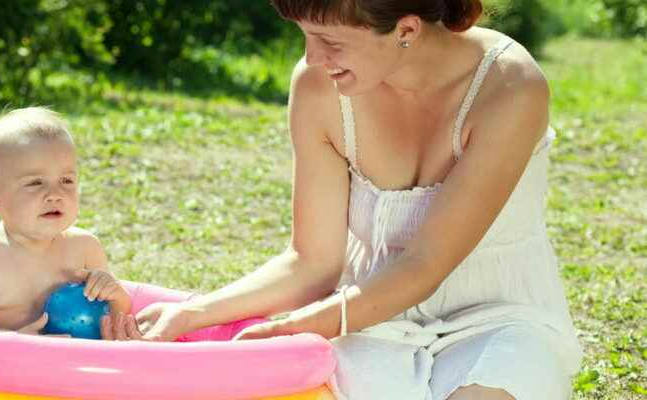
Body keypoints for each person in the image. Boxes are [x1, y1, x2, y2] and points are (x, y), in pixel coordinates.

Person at [106, 1, 582, 398]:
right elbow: (311, 263)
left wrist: (293, 326)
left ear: (406, 30)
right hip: (368, 324)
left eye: (330, 42)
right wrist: (193, 313)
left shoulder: (510, 85)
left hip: (499, 319)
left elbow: (423, 265)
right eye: (305, 36)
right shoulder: (319, 87)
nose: (312, 58)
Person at [0, 107, 132, 337]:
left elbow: (112, 322)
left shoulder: (86, 248)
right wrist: (15, 342)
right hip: (6, 368)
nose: (55, 194)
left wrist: (117, 297)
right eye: (35, 183)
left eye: (66, 180)